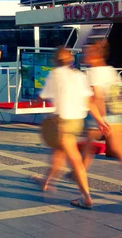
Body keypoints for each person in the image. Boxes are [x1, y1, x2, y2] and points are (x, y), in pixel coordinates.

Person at [32, 47, 108, 209]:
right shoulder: (79, 76)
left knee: (74, 160)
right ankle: (45, 181)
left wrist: (35, 100)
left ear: (55, 60)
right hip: (76, 122)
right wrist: (100, 121)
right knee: (58, 154)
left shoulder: (55, 74)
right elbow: (89, 102)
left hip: (62, 123)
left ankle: (86, 197)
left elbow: (42, 96)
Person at [76, 42, 122, 181]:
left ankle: (79, 173)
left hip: (104, 117)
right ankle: (80, 172)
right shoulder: (111, 71)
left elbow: (97, 97)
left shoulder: (93, 72)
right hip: (117, 114)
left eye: (87, 53)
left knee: (116, 149)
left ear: (94, 56)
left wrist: (101, 120)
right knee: (90, 145)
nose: (85, 55)